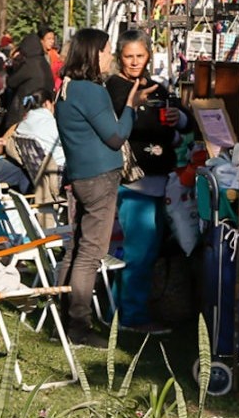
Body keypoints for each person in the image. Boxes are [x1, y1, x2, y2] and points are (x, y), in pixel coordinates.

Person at [54, 27, 152, 347]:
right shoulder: (91, 91)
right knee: (90, 253)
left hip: (81, 176)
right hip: (99, 178)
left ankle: (62, 317)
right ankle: (78, 325)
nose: (110, 56)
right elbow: (115, 136)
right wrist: (131, 106)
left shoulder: (67, 88)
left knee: (76, 249)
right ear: (93, 53)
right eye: (107, 50)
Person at [105, 29, 184, 335]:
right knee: (139, 252)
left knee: (145, 251)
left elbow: (179, 117)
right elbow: (132, 127)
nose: (135, 62)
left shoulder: (156, 87)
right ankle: (132, 316)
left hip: (157, 182)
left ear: (148, 55)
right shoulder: (116, 88)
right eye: (129, 56)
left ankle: (119, 311)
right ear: (120, 57)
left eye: (140, 55)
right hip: (134, 184)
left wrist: (178, 120)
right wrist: (166, 131)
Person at [4, 32, 55, 129]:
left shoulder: (29, 64)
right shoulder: (44, 62)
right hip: (44, 106)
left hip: (26, 107)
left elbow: (11, 82)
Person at [14, 88, 64, 171]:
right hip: (58, 170)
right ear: (47, 104)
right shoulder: (51, 125)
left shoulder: (22, 125)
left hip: (36, 172)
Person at [41, 27, 64, 92]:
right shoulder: (35, 55)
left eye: (53, 39)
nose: (52, 41)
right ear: (41, 40)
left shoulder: (55, 55)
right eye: (49, 39)